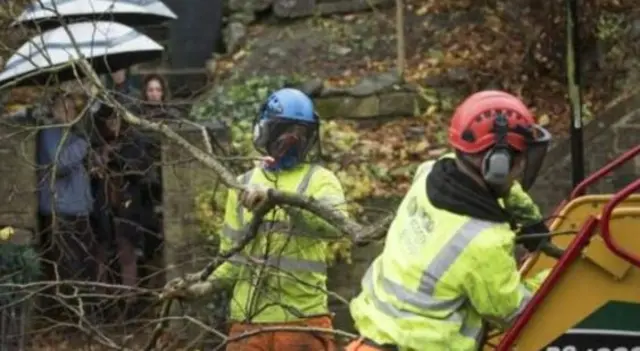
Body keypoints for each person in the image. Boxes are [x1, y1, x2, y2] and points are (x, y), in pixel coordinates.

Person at [345, 90, 553, 351]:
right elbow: (515, 312)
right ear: (497, 163)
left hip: (368, 339)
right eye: (518, 160)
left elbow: (503, 188)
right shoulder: (483, 241)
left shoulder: (431, 173)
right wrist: (555, 275)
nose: (521, 168)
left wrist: (529, 218)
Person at [170, 88, 348, 351]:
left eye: (302, 133)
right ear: (268, 131)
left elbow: (336, 227)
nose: (295, 140)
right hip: (247, 323)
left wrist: (281, 201)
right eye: (288, 132)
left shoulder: (321, 180)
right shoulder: (242, 185)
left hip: (302, 321)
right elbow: (232, 258)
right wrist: (204, 286)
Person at [37, 90, 96, 317]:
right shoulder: (50, 132)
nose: (69, 112)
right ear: (53, 110)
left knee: (81, 263)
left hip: (79, 208)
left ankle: (80, 312)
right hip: (60, 209)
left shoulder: (70, 132)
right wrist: (82, 145)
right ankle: (68, 315)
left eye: (72, 108)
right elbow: (59, 163)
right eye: (64, 108)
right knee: (66, 265)